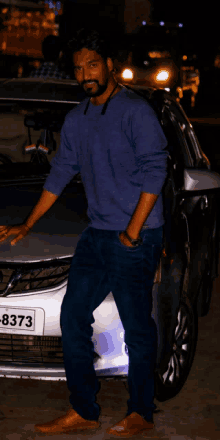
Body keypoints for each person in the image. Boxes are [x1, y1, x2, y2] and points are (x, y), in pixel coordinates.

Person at [0, 28, 168, 437]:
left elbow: (155, 170)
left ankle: (141, 412)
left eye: (92, 65)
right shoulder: (78, 119)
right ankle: (84, 409)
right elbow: (60, 174)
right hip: (97, 233)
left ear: (110, 65)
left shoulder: (135, 111)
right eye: (78, 68)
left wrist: (131, 232)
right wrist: (29, 222)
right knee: (73, 317)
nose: (85, 74)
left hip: (136, 235)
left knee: (136, 327)